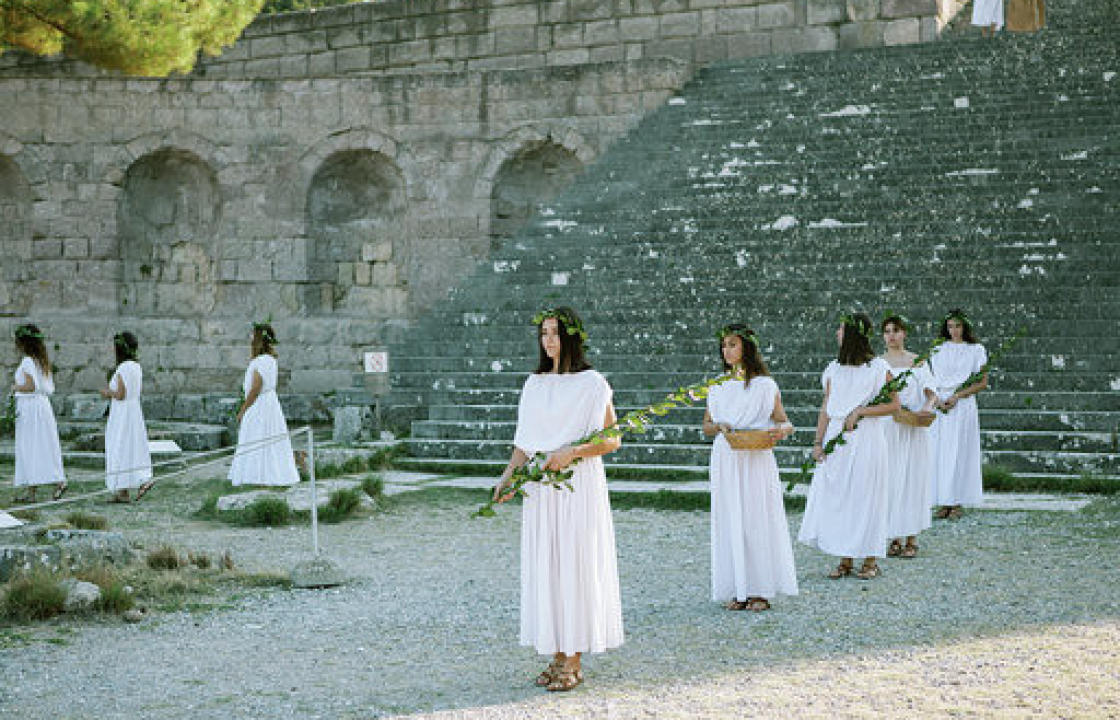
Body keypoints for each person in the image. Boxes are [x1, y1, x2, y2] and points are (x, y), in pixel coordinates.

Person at [493, 307, 623, 693]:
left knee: (574, 564)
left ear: (571, 337)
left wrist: (573, 452)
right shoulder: (534, 384)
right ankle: (556, 652)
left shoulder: (592, 383)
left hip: (577, 485)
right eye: (544, 333)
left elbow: (612, 438)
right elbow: (524, 442)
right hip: (541, 490)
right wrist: (508, 477)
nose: (548, 340)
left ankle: (574, 657)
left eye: (555, 332)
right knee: (548, 566)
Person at [798, 312, 899, 580]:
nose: (837, 333)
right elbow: (825, 408)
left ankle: (870, 560)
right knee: (841, 496)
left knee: (866, 496)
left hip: (866, 439)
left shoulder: (878, 368)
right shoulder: (833, 368)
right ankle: (845, 557)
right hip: (837, 439)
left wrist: (862, 411)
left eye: (841, 329)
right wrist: (818, 442)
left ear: (853, 334)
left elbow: (894, 405)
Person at [703, 324, 796, 612]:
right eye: (723, 345)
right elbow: (706, 427)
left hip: (756, 456)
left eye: (732, 344)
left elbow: (785, 422)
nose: (726, 350)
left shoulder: (765, 385)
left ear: (747, 347)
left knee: (756, 519)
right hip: (727, 456)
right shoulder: (716, 385)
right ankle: (737, 588)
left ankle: (760, 589)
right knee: (731, 520)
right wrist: (718, 426)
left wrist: (780, 432)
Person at [880, 315, 937, 558]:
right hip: (890, 425)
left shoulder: (917, 361)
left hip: (913, 424)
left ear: (904, 333)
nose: (891, 335)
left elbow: (931, 390)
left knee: (913, 478)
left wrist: (928, 406)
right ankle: (893, 535)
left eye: (896, 330)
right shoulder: (878, 363)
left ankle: (911, 538)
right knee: (891, 478)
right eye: (887, 331)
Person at [928, 309, 988, 520]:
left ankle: (957, 501)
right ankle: (943, 500)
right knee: (940, 452)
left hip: (961, 405)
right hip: (940, 403)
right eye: (950, 326)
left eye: (958, 326)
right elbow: (931, 378)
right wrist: (937, 399)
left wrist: (957, 396)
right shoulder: (938, 349)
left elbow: (982, 382)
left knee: (958, 452)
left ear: (965, 327)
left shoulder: (976, 350)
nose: (954, 331)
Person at [228, 323, 300, 487]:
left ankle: (257, 475)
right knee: (269, 437)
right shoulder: (271, 360)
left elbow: (255, 388)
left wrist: (243, 409)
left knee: (256, 436)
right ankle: (268, 473)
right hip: (270, 404)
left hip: (260, 404)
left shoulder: (260, 361)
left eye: (252, 336)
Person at [10, 324, 66, 503]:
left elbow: (31, 386)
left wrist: (15, 387)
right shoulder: (41, 360)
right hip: (42, 406)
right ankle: (48, 484)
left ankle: (35, 489)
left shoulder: (28, 361)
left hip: (31, 408)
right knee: (43, 445)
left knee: (30, 446)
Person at [100, 332, 153, 503]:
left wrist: (107, 393)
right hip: (134, 411)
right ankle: (125, 490)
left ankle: (129, 485)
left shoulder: (123, 368)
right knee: (132, 447)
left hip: (122, 413)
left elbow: (121, 394)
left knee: (119, 446)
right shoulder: (136, 367)